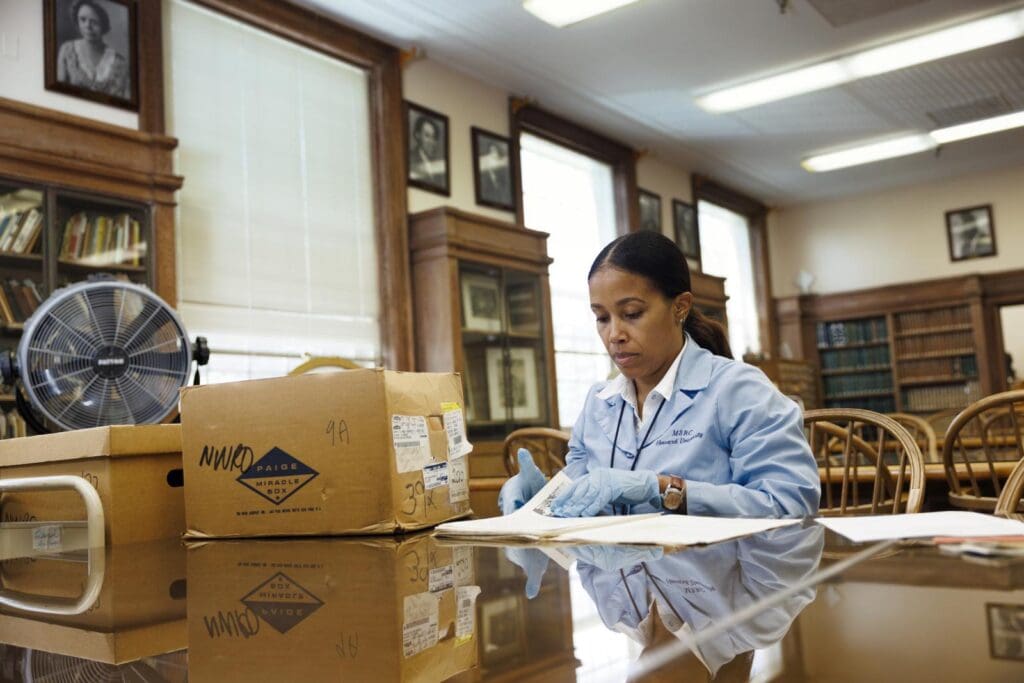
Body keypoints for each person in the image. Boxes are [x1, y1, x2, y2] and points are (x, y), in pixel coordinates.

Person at [499, 230, 820, 519]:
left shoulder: (738, 389)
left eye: (632, 314)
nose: (614, 334)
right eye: (601, 318)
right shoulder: (598, 404)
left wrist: (664, 489)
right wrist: (542, 502)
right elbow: (580, 503)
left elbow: (791, 501)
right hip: (612, 580)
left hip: (710, 575)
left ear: (680, 307)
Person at [57, 1, 130, 100]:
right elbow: (58, 95)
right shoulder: (67, 50)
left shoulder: (120, 63)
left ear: (104, 25)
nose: (88, 26)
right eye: (83, 20)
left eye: (94, 22)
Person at [408, 115, 445, 187]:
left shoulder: (437, 163)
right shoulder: (409, 158)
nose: (431, 141)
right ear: (417, 135)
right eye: (427, 136)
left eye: (433, 137)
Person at [478, 140, 511, 205]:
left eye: (495, 150)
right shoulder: (486, 160)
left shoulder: (504, 161)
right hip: (491, 187)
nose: (494, 152)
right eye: (492, 150)